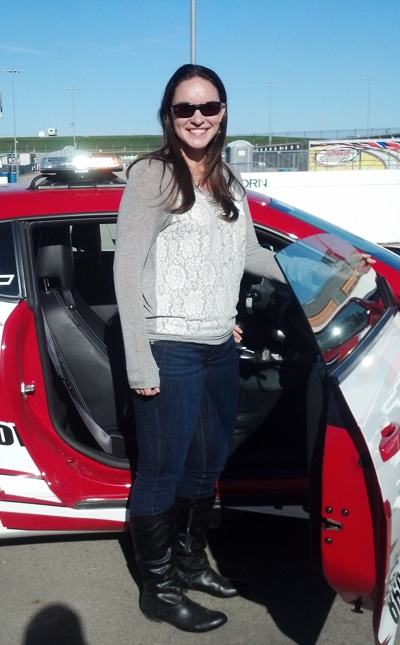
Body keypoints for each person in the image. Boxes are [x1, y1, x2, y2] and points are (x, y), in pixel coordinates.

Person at [114, 63, 284, 633]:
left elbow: (251, 255)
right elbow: (125, 268)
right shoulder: (152, 176)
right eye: (185, 109)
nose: (198, 118)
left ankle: (189, 564)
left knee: (207, 465)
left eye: (208, 107)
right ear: (168, 116)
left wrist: (316, 266)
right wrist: (140, 358)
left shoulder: (228, 179)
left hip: (218, 345)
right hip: (171, 348)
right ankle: (159, 590)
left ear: (223, 111)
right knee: (162, 473)